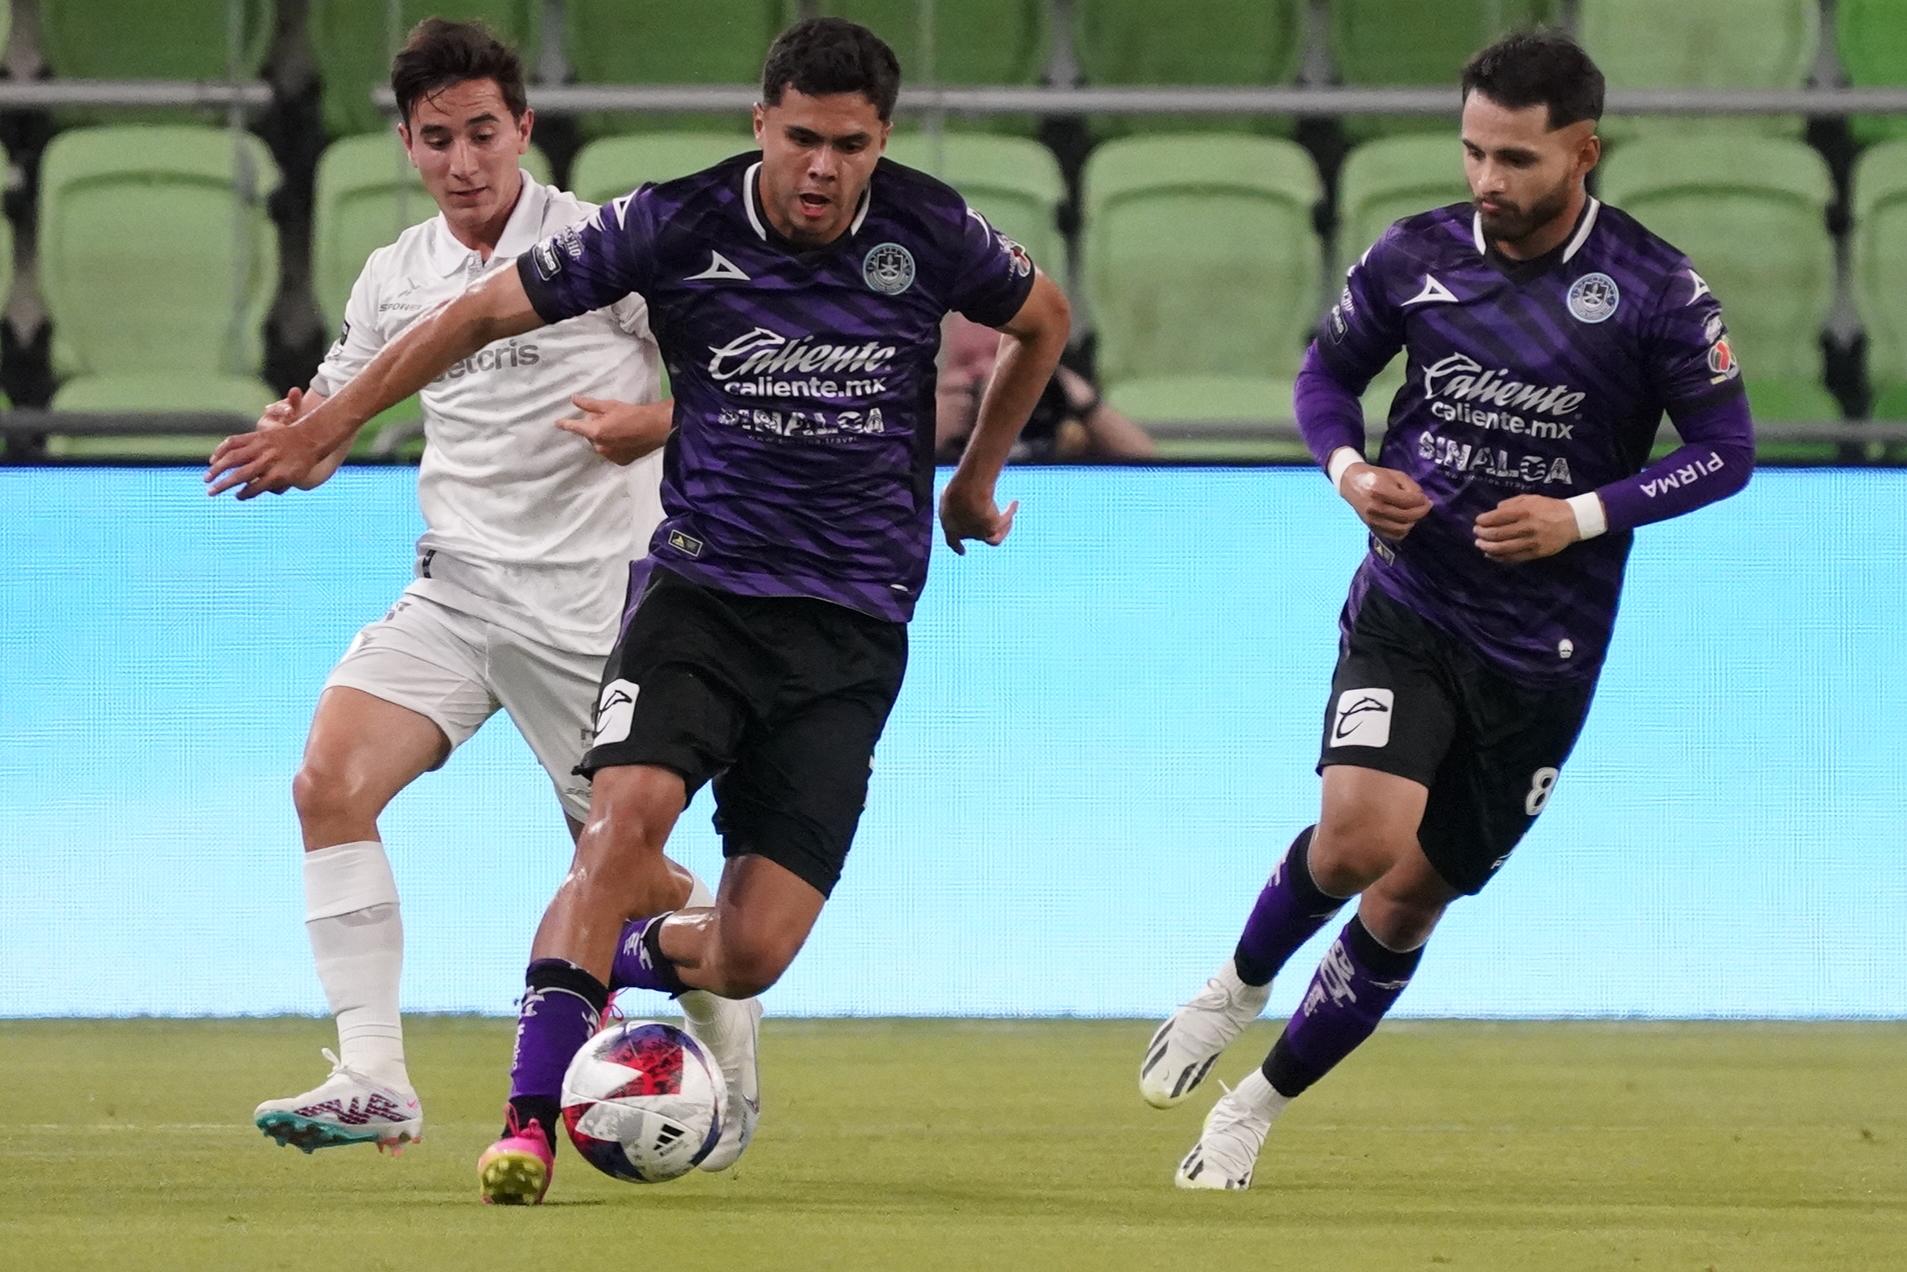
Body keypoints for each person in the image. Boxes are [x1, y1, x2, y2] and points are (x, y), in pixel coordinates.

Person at [207, 17, 1071, 1204]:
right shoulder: (482, 257)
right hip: (579, 591)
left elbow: (994, 328)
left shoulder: (848, 229)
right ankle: (449, 1100)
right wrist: (324, 426)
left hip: (679, 610)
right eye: (805, 139)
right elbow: (439, 338)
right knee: (382, 793)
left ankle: (686, 995)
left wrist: (958, 481)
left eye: (852, 145)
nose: (824, 169)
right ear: (761, 122)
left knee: (700, 918)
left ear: (522, 129)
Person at [1140, 29, 1754, 1190]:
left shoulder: (1654, 289)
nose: (1485, 181)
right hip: (1412, 603)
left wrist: (1580, 515)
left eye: (1515, 159)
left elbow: (1724, 454)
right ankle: (1233, 985)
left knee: (1410, 899)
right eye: (1472, 151)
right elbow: (1324, 376)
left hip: (1544, 655)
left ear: (1583, 151)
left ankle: (1251, 1112)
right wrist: (1347, 472)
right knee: (1357, 840)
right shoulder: (1413, 254)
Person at [240, 19, 751, 1159]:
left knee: (628, 878)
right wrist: (296, 436)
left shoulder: (600, 248)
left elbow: (736, 386)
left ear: (522, 129)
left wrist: (651, 423)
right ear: (409, 148)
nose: (464, 161)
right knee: (328, 782)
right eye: (438, 139)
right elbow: (334, 424)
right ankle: (373, 1076)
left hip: (593, 610)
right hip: (459, 593)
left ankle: (730, 1005)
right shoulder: (392, 277)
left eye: (483, 132)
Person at [935, 313, 1155, 461]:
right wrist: (930, 421)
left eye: (998, 354)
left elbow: (1147, 464)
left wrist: (1081, 400)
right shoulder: (947, 422)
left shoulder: (1055, 406)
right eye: (968, 362)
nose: (990, 372)